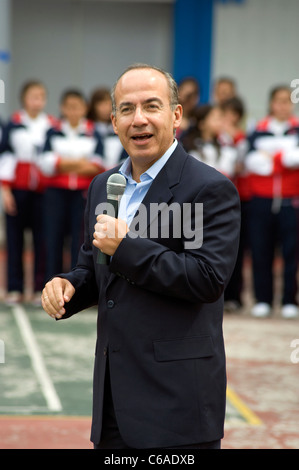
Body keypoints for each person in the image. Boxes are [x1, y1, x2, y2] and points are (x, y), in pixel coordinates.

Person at [41, 64, 240, 449]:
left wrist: (127, 246)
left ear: (176, 114)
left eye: (152, 106)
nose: (140, 119)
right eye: (127, 109)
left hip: (176, 404)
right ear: (113, 122)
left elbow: (206, 279)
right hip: (114, 399)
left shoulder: (209, 188)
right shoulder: (104, 185)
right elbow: (95, 266)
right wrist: (69, 286)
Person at [39, 89, 106, 282]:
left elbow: (97, 165)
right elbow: (46, 164)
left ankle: (76, 285)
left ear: (85, 108)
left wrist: (62, 162)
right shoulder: (53, 131)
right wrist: (80, 162)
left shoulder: (93, 132)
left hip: (82, 195)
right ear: (62, 108)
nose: (73, 111)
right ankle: (51, 284)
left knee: (80, 241)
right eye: (69, 107)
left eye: (77, 107)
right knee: (53, 238)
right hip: (55, 194)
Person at [0, 80, 56, 305]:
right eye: (33, 96)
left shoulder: (51, 125)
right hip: (18, 189)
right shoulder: (13, 124)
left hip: (43, 191)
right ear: (24, 99)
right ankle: (14, 287)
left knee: (41, 240)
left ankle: (38, 288)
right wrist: (5, 191)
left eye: (41, 96)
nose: (37, 101)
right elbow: (5, 157)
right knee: (14, 240)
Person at [246, 85, 299, 319]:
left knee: (291, 252)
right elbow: (252, 163)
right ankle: (263, 299)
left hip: (291, 201)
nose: (282, 105)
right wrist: (284, 159)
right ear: (271, 103)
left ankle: (289, 300)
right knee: (261, 251)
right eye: (278, 101)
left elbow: (294, 160)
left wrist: (273, 158)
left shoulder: (297, 130)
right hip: (261, 201)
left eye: (286, 101)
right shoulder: (257, 130)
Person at [220, 97, 251, 312]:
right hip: (218, 199)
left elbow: (241, 166)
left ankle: (235, 295)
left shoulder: (241, 138)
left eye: (232, 114)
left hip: (239, 198)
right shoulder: (217, 138)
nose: (227, 119)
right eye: (224, 114)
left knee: (237, 248)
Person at [181, 104, 239, 180]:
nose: (219, 123)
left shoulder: (223, 142)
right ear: (202, 124)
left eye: (220, 119)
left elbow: (228, 168)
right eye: (215, 119)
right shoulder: (191, 146)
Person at [87, 87, 127, 168]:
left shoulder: (119, 130)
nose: (106, 108)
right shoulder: (86, 129)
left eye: (109, 104)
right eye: (101, 104)